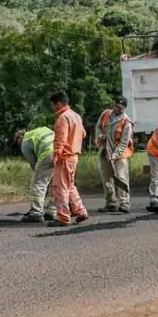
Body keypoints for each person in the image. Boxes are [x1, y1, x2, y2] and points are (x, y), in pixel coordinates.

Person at [49, 91, 89, 227]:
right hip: (74, 155)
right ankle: (80, 211)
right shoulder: (76, 116)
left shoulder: (62, 118)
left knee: (60, 187)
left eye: (53, 105)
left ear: (59, 103)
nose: (53, 108)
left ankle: (63, 217)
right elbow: (83, 133)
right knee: (70, 185)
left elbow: (60, 138)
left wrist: (55, 155)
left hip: (65, 156)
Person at [94, 96, 134, 214]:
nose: (117, 109)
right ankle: (111, 203)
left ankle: (124, 203)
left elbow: (123, 143)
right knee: (106, 178)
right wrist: (100, 135)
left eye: (120, 108)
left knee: (121, 178)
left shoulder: (127, 122)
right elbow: (98, 127)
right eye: (116, 106)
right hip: (105, 151)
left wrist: (114, 155)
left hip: (120, 155)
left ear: (124, 108)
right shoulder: (106, 114)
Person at [15, 127, 56, 223]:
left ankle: (36, 212)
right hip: (60, 150)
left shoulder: (25, 142)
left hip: (48, 153)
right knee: (55, 183)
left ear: (19, 138)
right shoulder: (38, 131)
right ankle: (52, 210)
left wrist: (38, 176)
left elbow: (34, 164)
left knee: (37, 183)